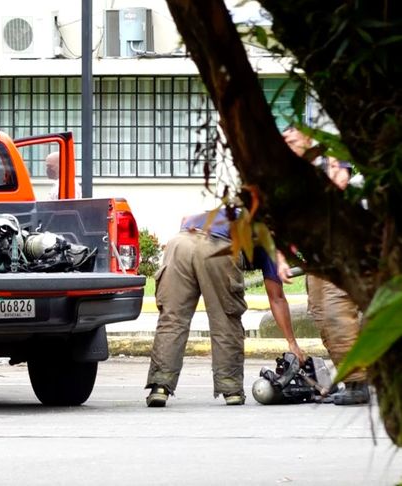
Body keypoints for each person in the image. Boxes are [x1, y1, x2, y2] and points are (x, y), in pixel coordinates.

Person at [145, 208, 305, 407]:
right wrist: (292, 344)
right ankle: (231, 390)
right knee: (226, 318)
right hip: (218, 248)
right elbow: (277, 299)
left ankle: (160, 386)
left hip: (180, 242)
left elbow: (186, 218)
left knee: (172, 318)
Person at [278, 127, 368, 405]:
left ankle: (358, 383)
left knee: (336, 315)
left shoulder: (353, 196)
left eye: (334, 168)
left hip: (340, 265)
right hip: (316, 266)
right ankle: (349, 378)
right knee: (321, 317)